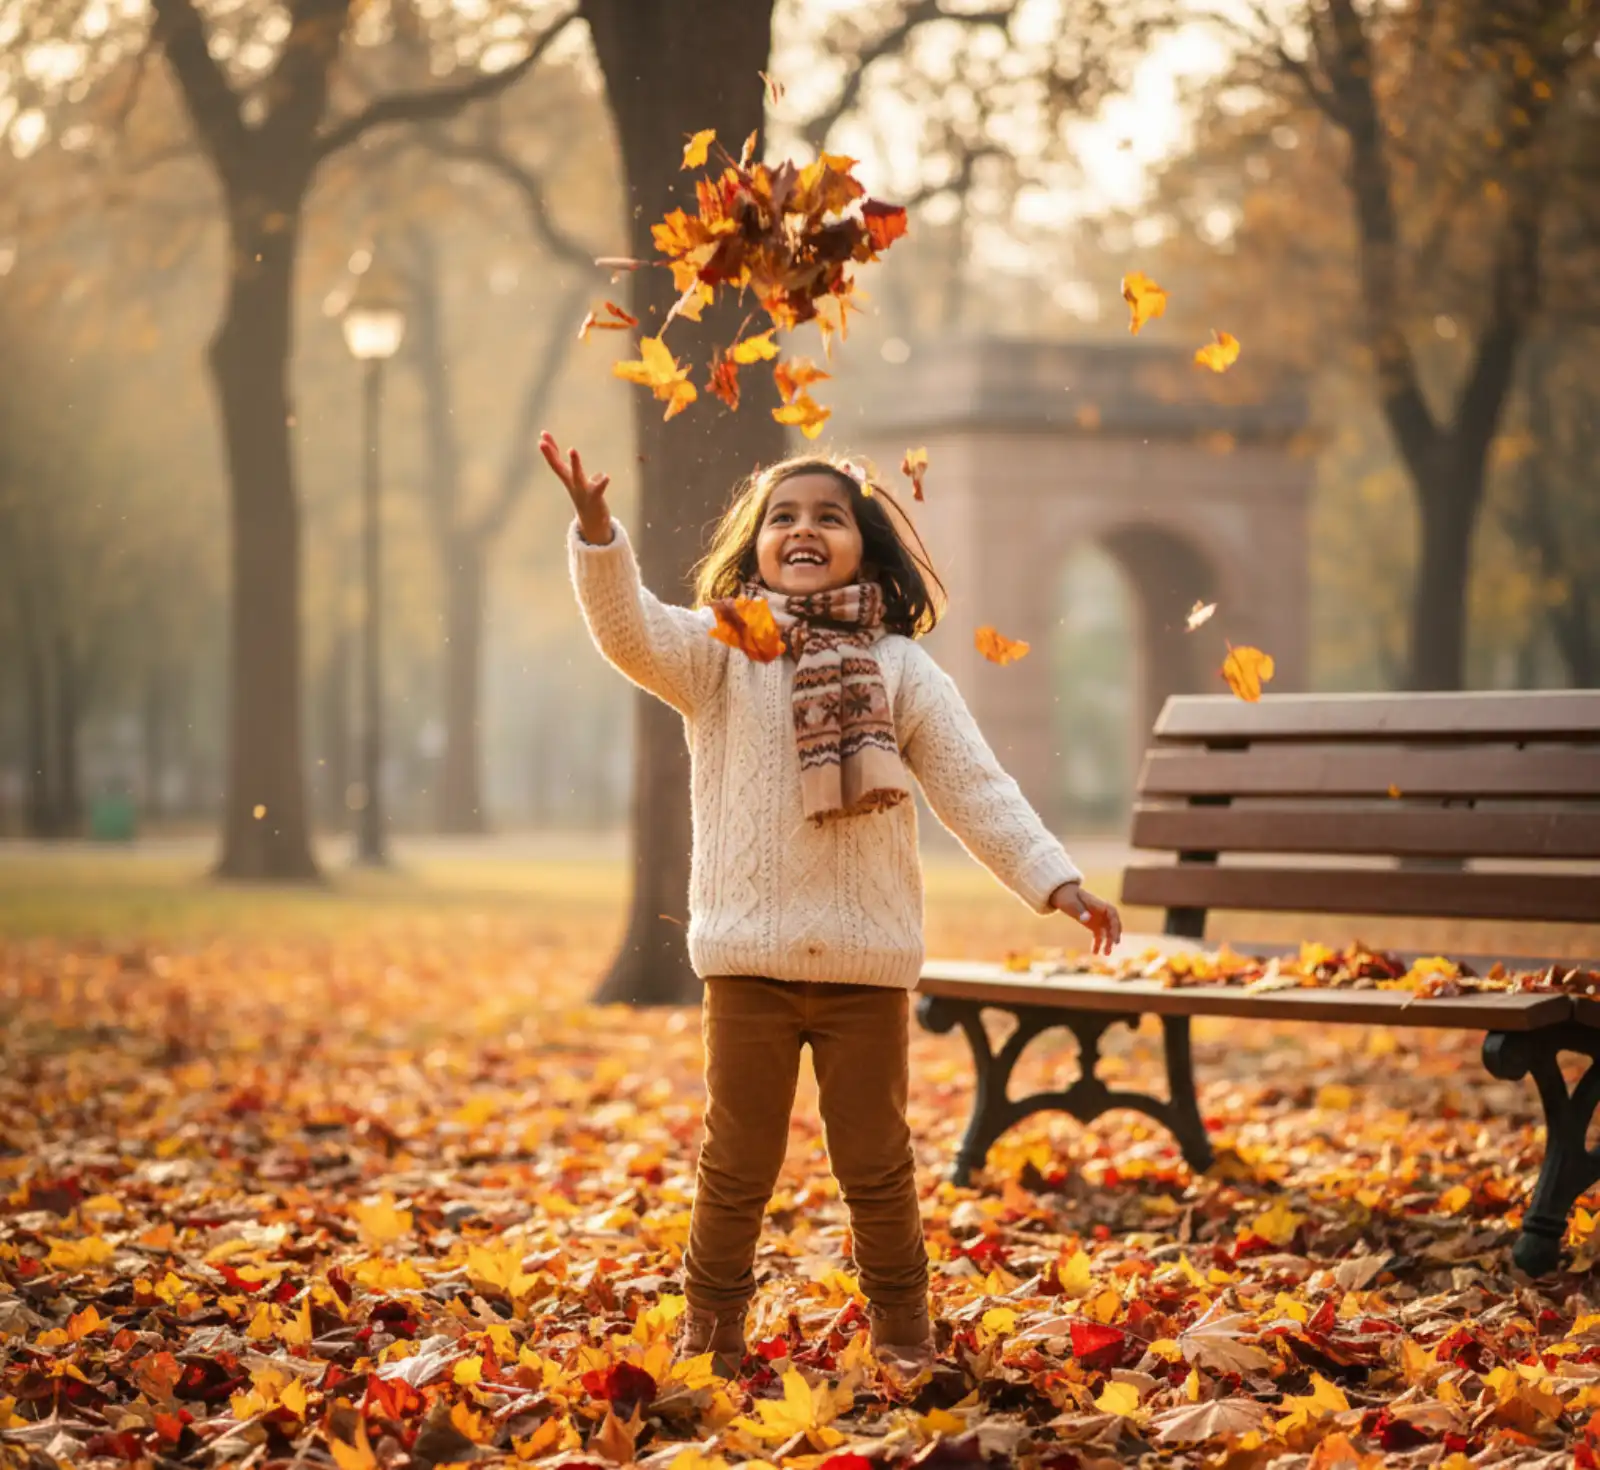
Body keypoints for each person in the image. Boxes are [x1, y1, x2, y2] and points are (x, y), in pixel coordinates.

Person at [542, 430, 1121, 1377]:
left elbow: (975, 786)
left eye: (827, 517)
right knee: (736, 1165)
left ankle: (903, 1333)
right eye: (782, 517)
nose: (802, 529)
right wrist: (600, 533)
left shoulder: (902, 669)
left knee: (877, 1166)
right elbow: (630, 632)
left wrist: (1055, 880)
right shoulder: (725, 647)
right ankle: (713, 1329)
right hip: (749, 965)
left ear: (865, 546)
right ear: (756, 543)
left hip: (864, 967)